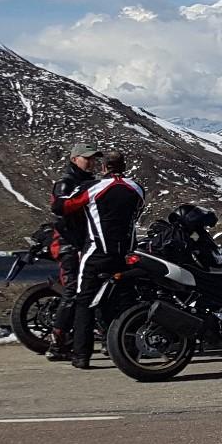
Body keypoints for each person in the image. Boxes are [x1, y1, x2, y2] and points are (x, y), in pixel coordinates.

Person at [65, 151, 143, 369]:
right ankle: (129, 350)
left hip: (96, 252)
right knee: (125, 302)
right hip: (125, 254)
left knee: (84, 301)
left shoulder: (93, 187)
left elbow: (63, 207)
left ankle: (81, 355)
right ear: (124, 166)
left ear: (103, 167)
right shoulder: (136, 188)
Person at [45, 141, 99, 360]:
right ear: (74, 159)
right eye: (87, 158)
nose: (91, 162)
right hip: (68, 245)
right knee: (73, 292)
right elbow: (60, 211)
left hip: (84, 244)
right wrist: (76, 245)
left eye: (93, 159)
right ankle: (56, 344)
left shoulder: (87, 182)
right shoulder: (66, 183)